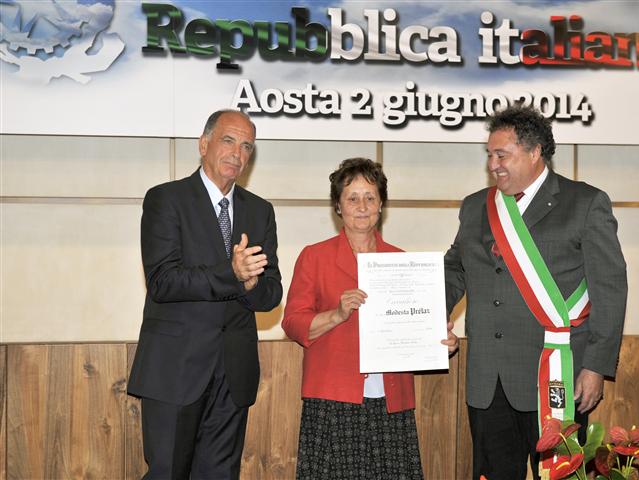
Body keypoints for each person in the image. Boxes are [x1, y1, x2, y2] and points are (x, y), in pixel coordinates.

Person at [444, 105, 627, 480]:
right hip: (488, 379)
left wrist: (596, 366)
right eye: (489, 155)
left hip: (556, 375)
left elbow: (610, 290)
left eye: (502, 155)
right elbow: (454, 269)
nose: (493, 165)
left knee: (560, 475)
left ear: (534, 152)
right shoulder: (476, 206)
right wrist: (427, 315)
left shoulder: (585, 203)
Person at [127, 110, 282, 479]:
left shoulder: (260, 210)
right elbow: (163, 281)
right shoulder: (166, 199)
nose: (237, 153)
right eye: (228, 141)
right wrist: (231, 274)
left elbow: (272, 292)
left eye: (247, 146)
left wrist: (250, 285)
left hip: (234, 374)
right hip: (176, 370)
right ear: (203, 144)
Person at [282, 158, 458, 480]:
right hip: (334, 399)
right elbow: (292, 323)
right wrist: (337, 314)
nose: (362, 207)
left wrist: (440, 343)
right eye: (352, 198)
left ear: (381, 205)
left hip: (392, 400)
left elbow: (417, 329)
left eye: (370, 197)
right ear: (338, 206)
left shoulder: (402, 261)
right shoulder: (314, 257)